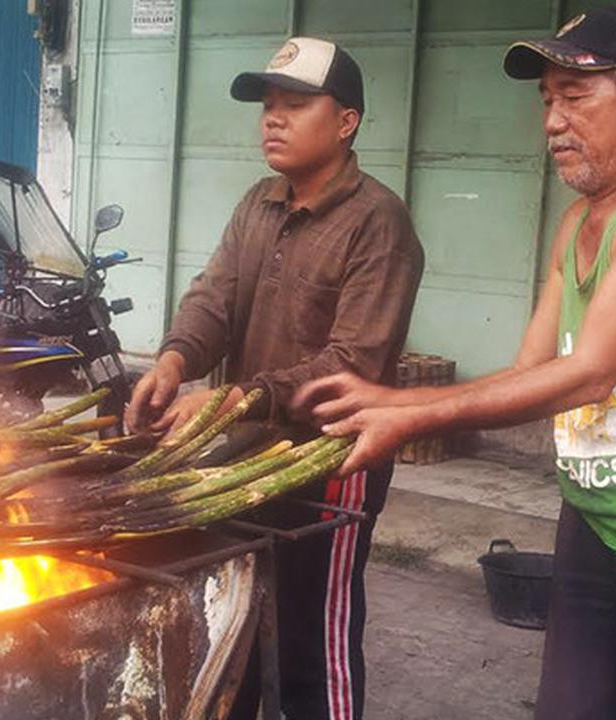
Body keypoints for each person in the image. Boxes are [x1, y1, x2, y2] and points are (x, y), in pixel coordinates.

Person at [294, 7, 616, 719]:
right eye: (547, 100)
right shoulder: (574, 224)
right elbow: (530, 370)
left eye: (577, 97)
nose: (553, 121)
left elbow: (588, 373)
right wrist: (386, 400)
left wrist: (409, 420)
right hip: (597, 524)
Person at [124, 37, 424, 720]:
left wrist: (233, 399)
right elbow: (214, 301)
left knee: (312, 638)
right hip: (243, 454)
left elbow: (354, 364)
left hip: (331, 462)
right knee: (236, 626)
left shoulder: (379, 223)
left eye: (294, 104)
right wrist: (174, 360)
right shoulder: (259, 203)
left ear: (346, 121)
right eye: (268, 106)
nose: (273, 120)